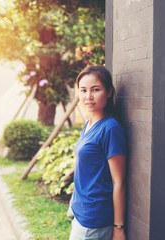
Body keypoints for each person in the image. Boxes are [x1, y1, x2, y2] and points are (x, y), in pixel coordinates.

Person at [69, 66, 127, 240]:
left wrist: (118, 228)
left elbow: (119, 182)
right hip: (81, 214)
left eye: (95, 90)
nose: (88, 96)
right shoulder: (88, 125)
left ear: (108, 92)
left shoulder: (111, 128)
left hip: (94, 220)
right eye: (83, 90)